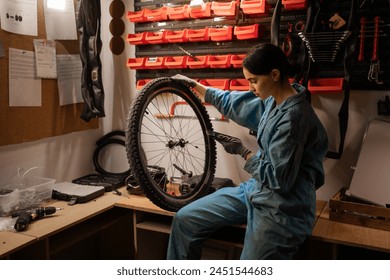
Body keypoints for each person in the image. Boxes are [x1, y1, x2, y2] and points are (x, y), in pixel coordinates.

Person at [168, 43, 328, 260]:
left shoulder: (293, 118)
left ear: (274, 74)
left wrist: (242, 152)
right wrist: (195, 85)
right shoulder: (274, 100)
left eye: (253, 81)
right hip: (255, 189)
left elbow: (279, 180)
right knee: (185, 219)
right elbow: (236, 103)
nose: (251, 87)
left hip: (283, 207)